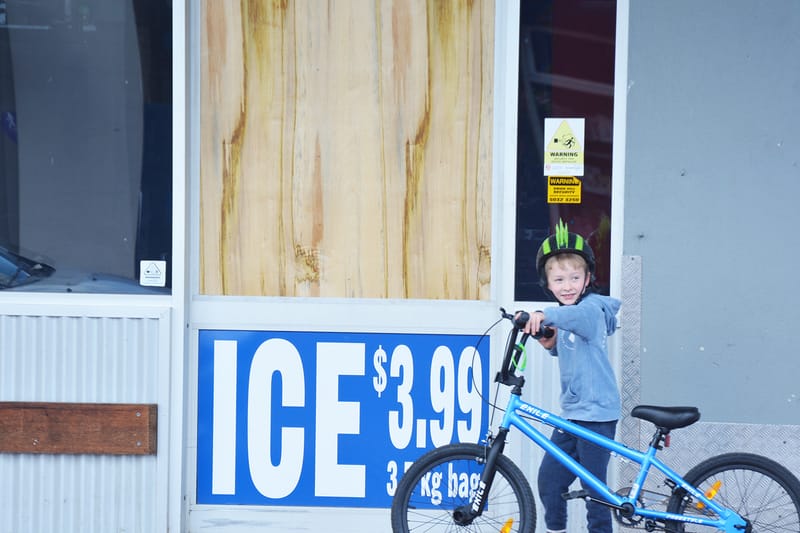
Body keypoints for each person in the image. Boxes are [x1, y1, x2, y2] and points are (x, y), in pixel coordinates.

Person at [520, 219, 621, 533]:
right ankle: (557, 529)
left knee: (596, 492)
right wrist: (550, 343)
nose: (567, 286)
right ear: (548, 284)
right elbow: (569, 345)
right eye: (559, 279)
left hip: (597, 413)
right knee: (550, 480)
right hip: (573, 415)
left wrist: (541, 314)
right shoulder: (566, 315)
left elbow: (573, 318)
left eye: (575, 277)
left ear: (587, 278)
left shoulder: (589, 310)